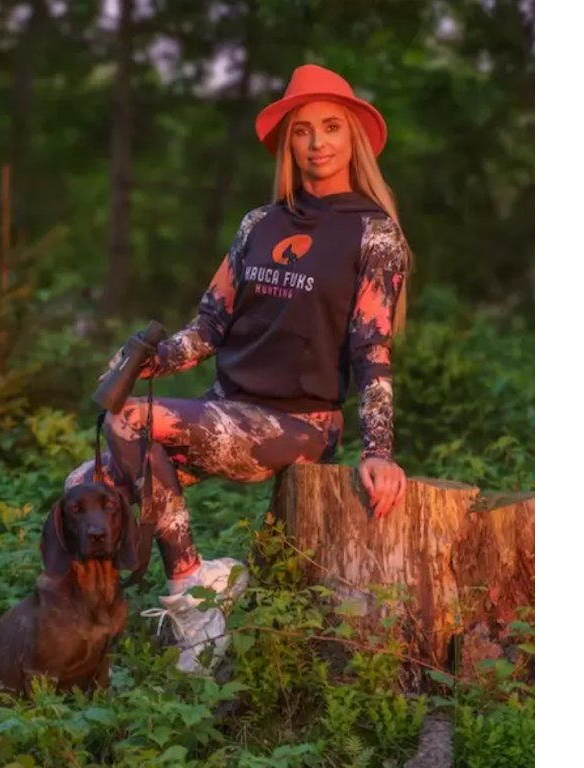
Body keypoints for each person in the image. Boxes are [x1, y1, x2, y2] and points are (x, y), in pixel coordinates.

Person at [65, 63, 411, 675]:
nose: (317, 143)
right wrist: (143, 360)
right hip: (225, 409)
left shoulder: (373, 234)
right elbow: (208, 328)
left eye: (331, 127)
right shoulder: (259, 224)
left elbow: (371, 349)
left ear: (354, 135)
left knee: (131, 422)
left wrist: (378, 450)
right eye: (302, 130)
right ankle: (93, 631)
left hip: (297, 423)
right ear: (288, 143)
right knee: (84, 484)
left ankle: (192, 592)